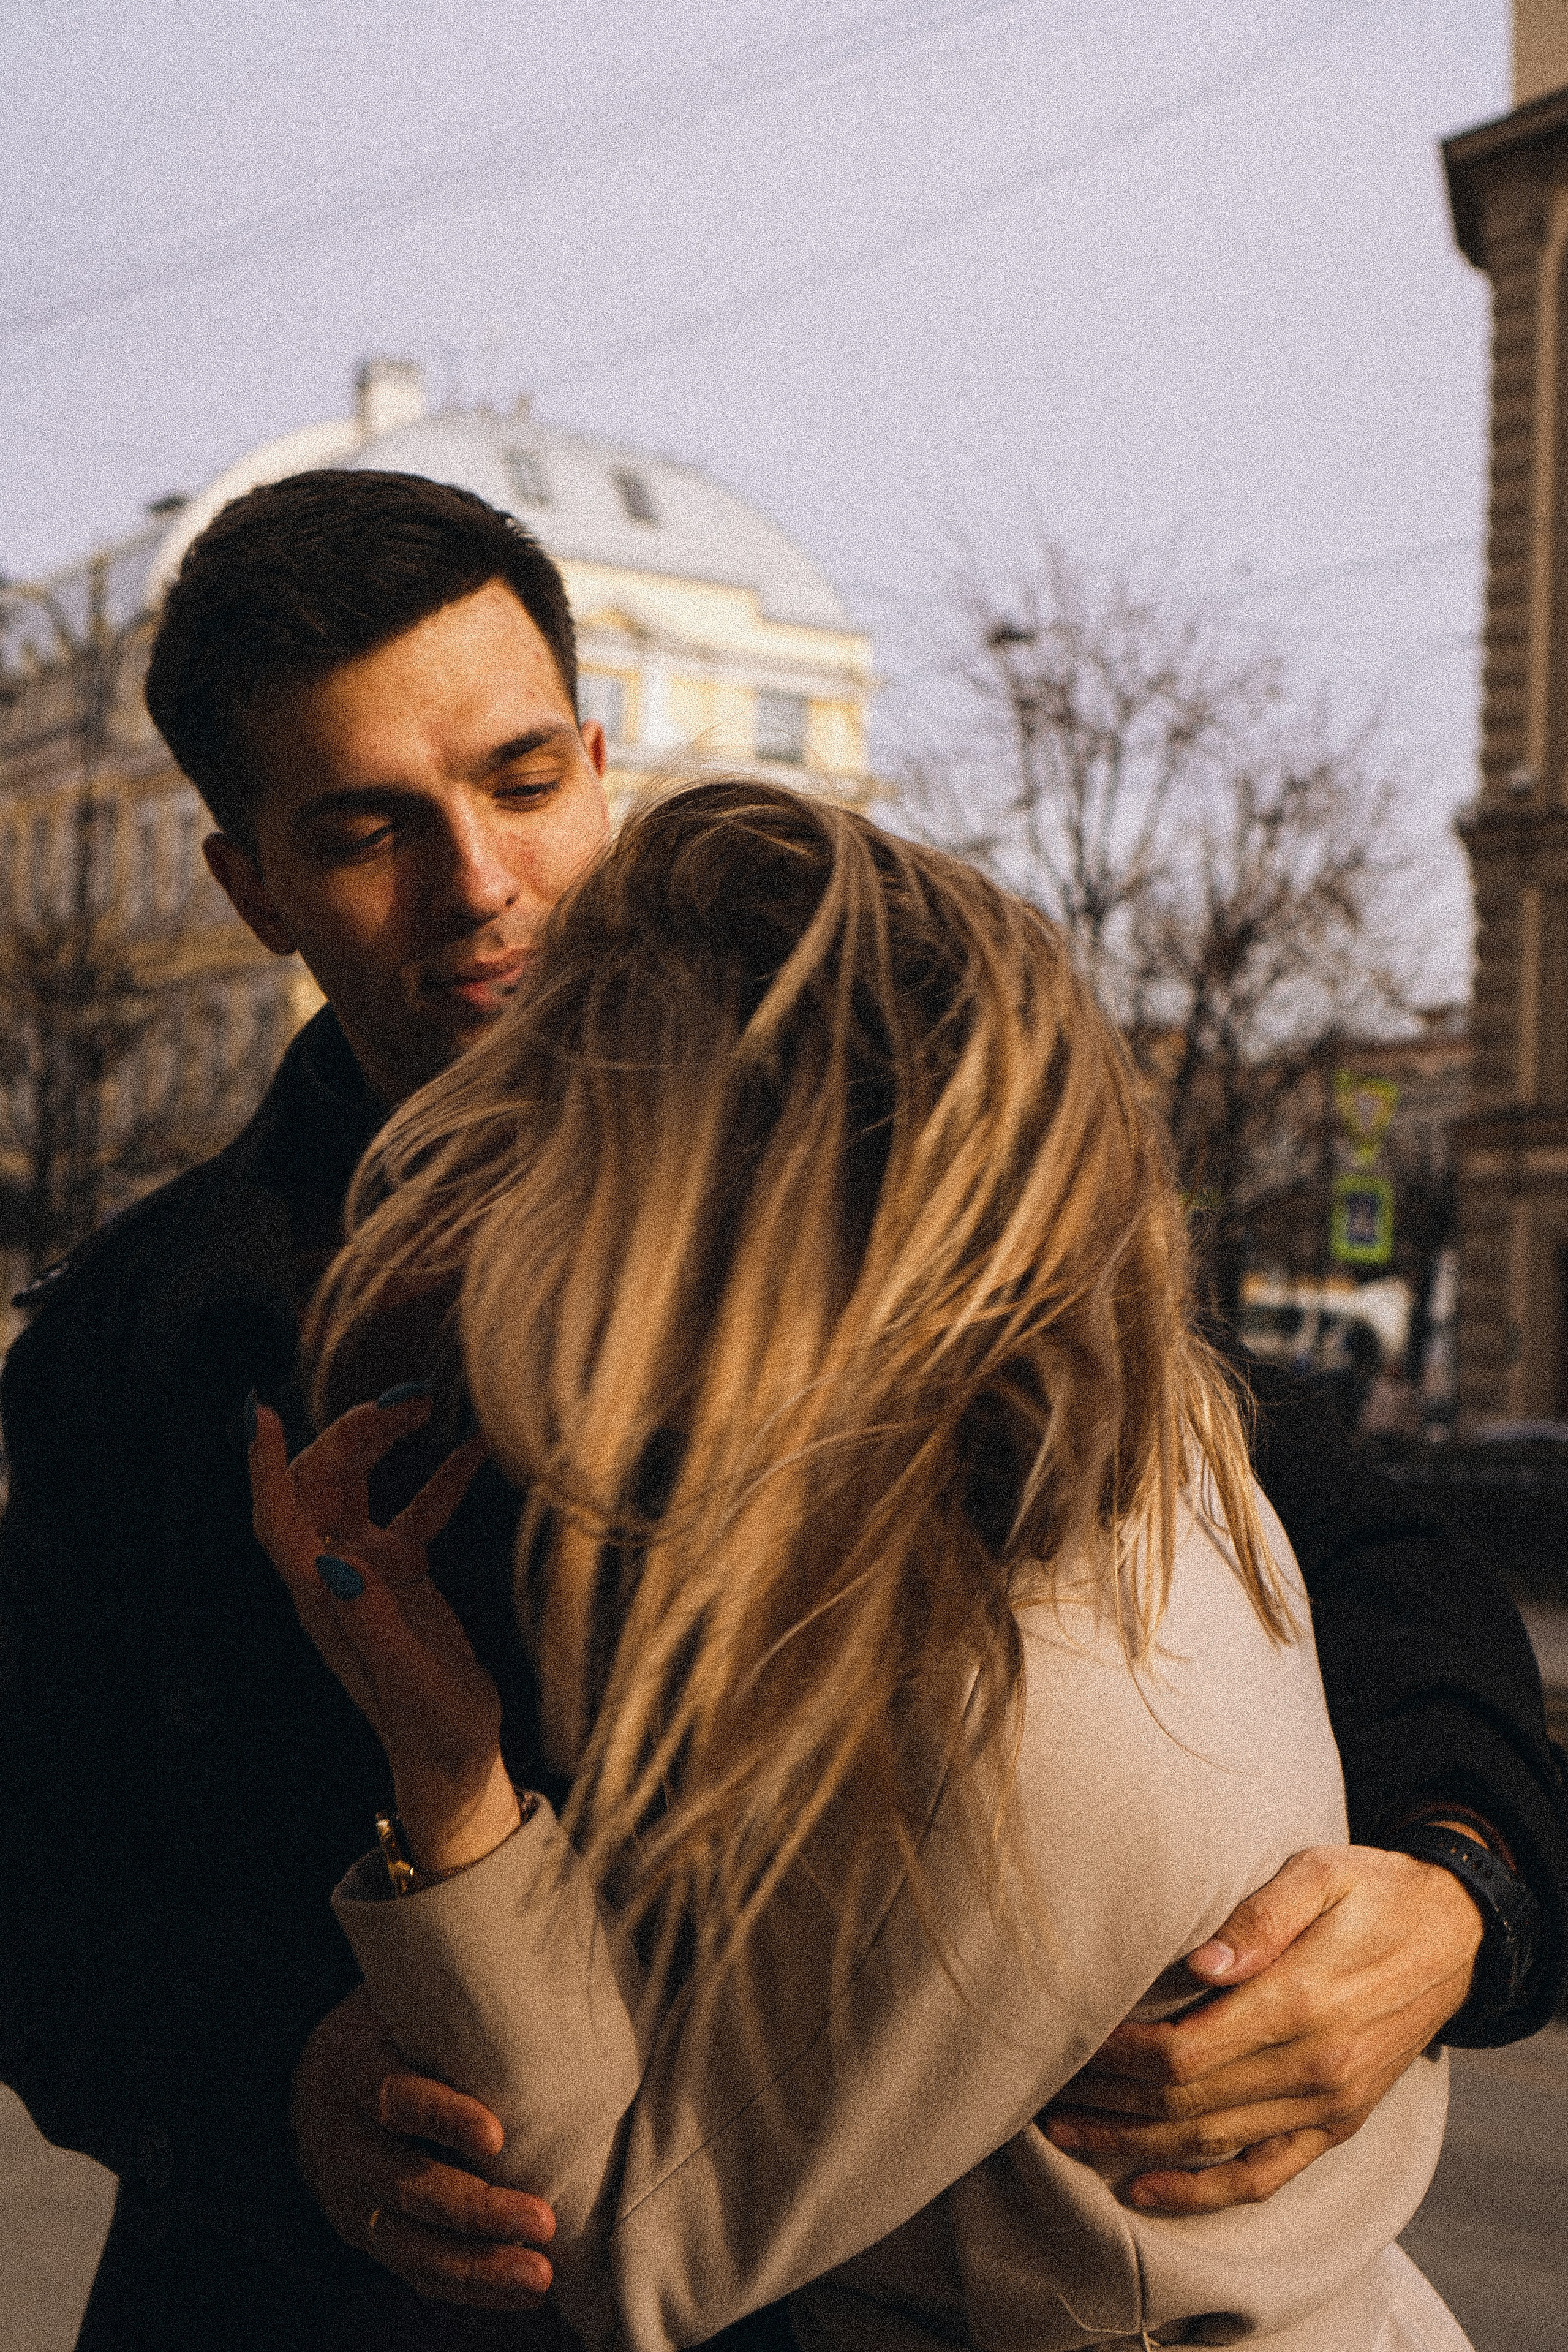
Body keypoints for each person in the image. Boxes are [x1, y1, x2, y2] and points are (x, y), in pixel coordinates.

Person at [0, 469, 1560, 2352]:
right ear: (249, 882)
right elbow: (43, 1899)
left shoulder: (876, 1163)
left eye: (517, 783)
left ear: (596, 760)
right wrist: (271, 2095)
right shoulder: (138, 1338)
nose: (479, 884)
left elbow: (1337, 1529)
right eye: (365, 831)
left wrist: (1461, 1886)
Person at [252, 777, 1470, 2349]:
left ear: (722, 1218)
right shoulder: (1145, 1439)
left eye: (573, 1150)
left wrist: (447, 1768)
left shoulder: (1004, 1715)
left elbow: (617, 2240)